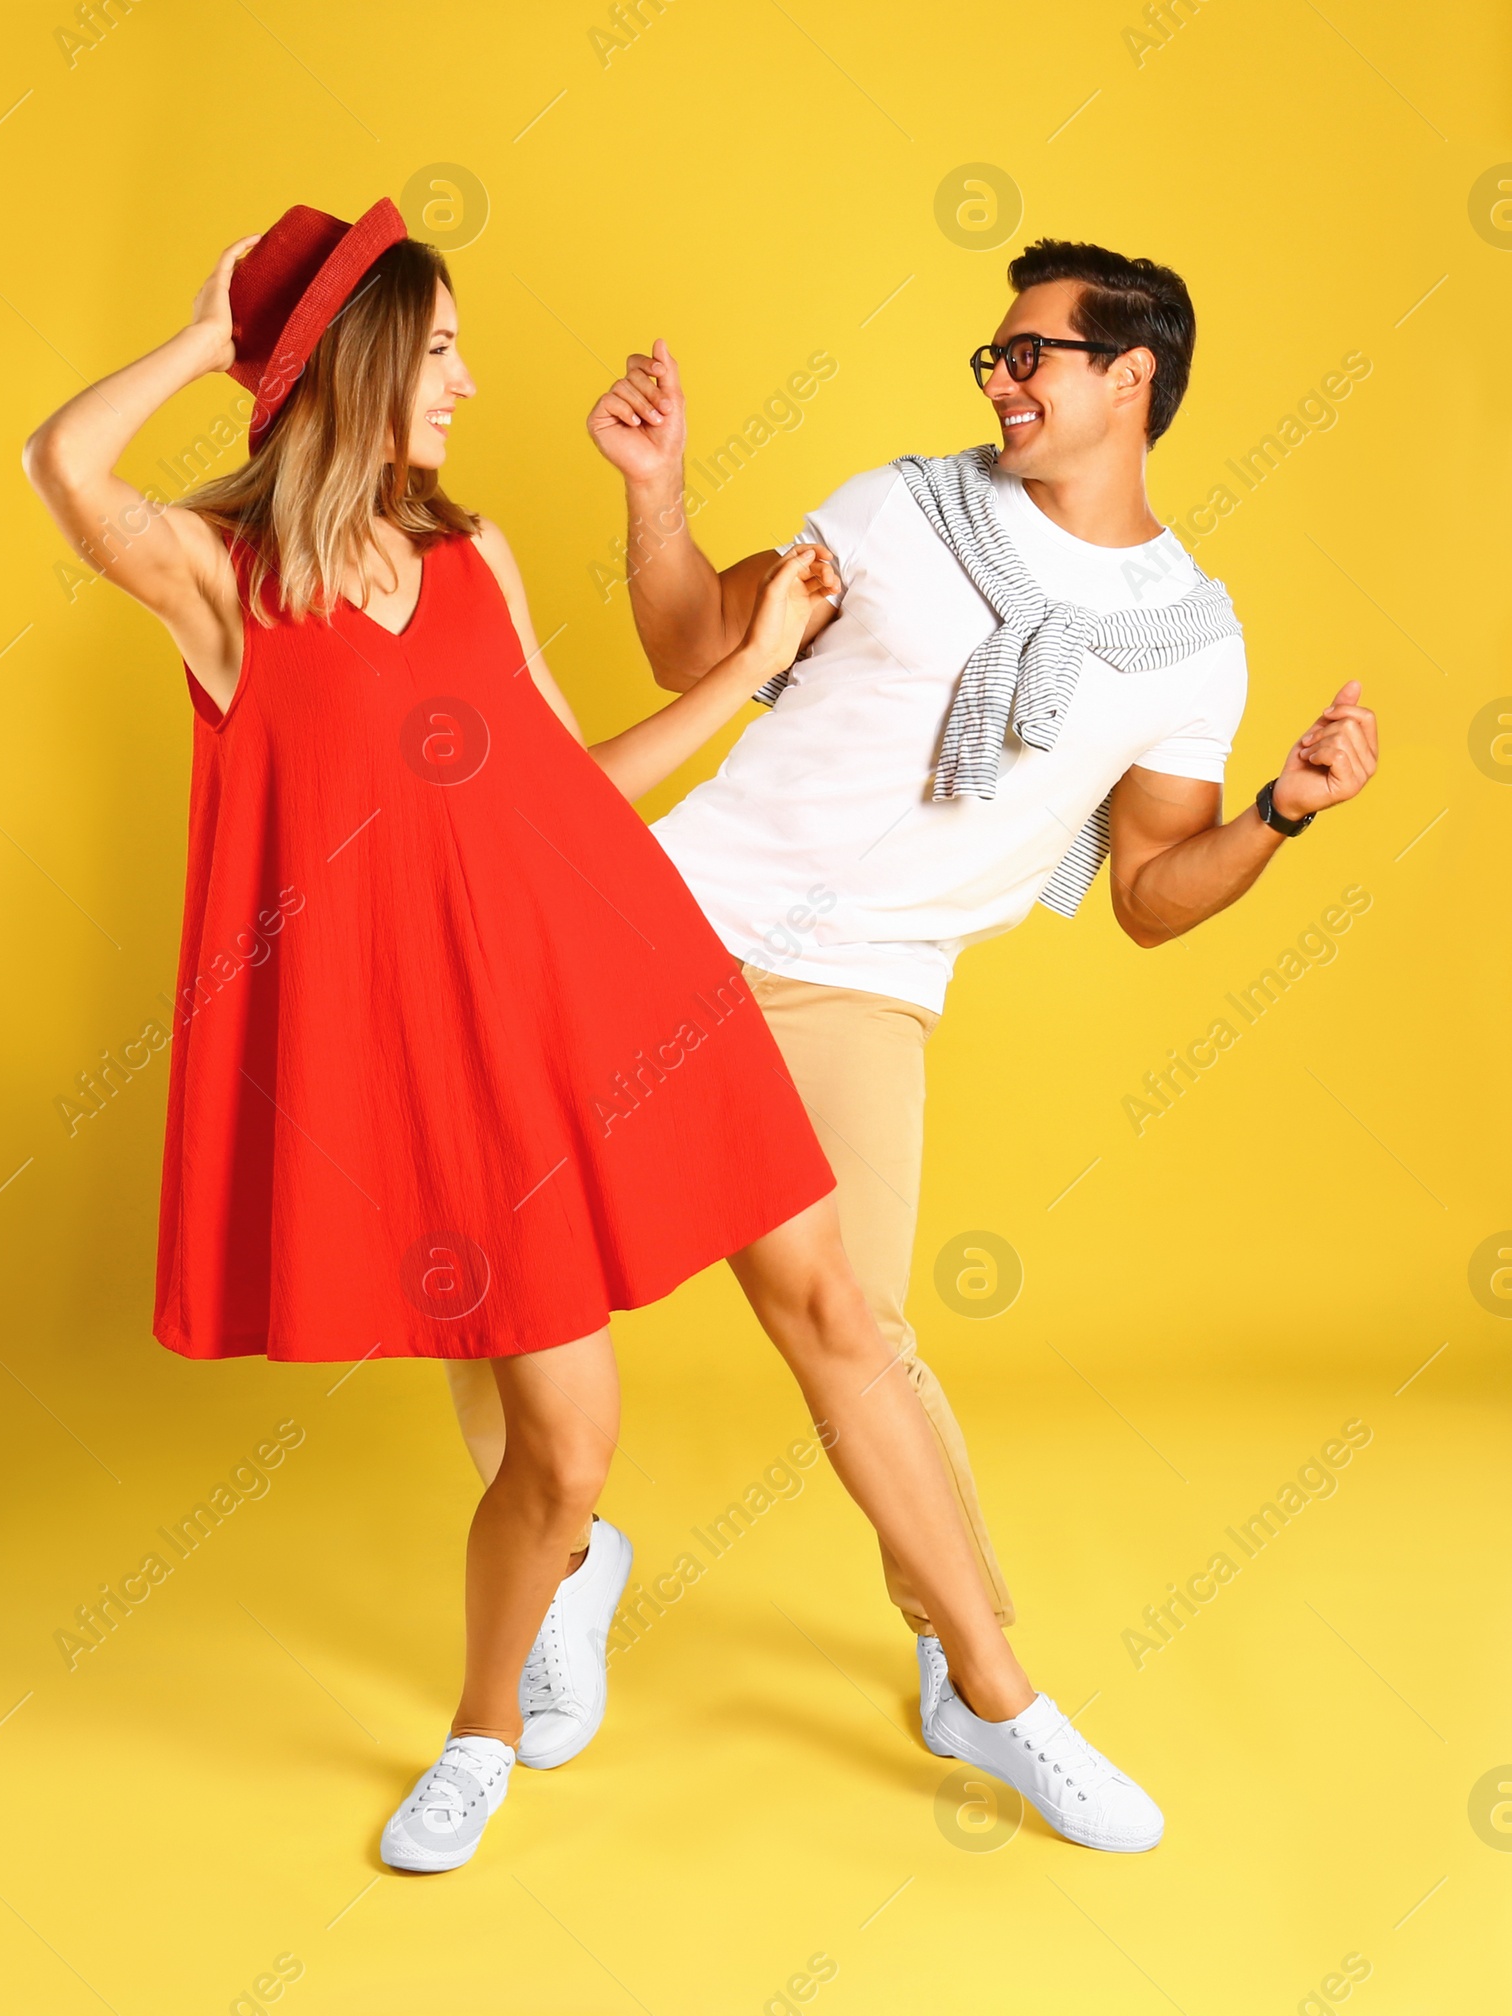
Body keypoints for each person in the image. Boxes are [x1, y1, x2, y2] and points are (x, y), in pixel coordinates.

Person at [22, 201, 1163, 1875]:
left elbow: (580, 798)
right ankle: (485, 1730)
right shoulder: (223, 581)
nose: (467, 385)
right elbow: (63, 464)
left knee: (840, 1300)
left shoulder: (474, 559)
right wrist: (212, 340)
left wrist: (761, 662)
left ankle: (1001, 1690)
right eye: (437, 353)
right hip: (459, 1076)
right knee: (564, 1453)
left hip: (627, 988)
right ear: (344, 365)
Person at [451, 236, 1379, 1821]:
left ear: (1131, 377)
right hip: (653, 928)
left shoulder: (1190, 642)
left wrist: (1286, 815)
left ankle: (969, 1666)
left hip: (865, 989)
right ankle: (562, 1559)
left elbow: (1152, 893)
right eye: (994, 358)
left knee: (859, 1339)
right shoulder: (898, 508)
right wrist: (657, 491)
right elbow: (698, 649)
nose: (1001, 381)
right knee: (499, 1266)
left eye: (1033, 355)